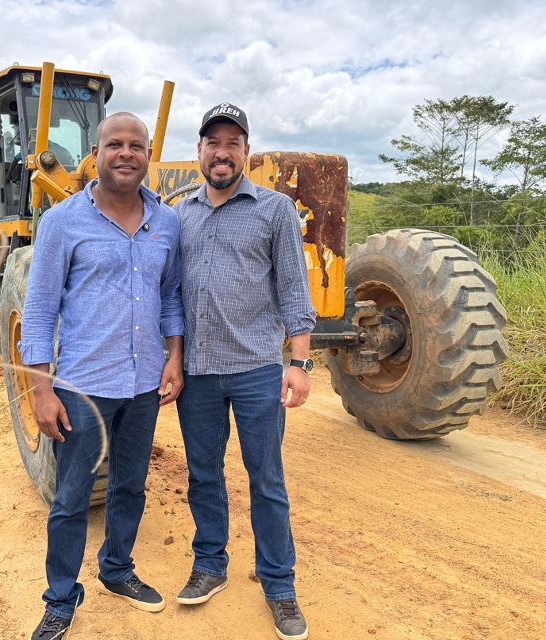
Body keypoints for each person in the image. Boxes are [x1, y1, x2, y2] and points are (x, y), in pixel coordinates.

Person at [18, 112, 184, 640]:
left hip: (142, 386)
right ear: (96, 152)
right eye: (115, 144)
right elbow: (40, 310)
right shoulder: (63, 222)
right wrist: (42, 389)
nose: (126, 153)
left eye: (136, 145)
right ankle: (60, 600)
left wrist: (174, 357)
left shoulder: (167, 222)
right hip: (83, 387)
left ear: (148, 153)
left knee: (130, 486)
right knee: (70, 498)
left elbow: (172, 297)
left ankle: (117, 570)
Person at [173, 102, 316, 640]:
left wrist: (298, 363)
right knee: (203, 475)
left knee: (267, 479)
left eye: (233, 143)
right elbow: (172, 296)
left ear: (246, 153)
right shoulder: (179, 212)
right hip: (200, 375)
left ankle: (280, 586)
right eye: (214, 142)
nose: (223, 152)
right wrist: (175, 361)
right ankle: (210, 564)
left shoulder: (276, 209)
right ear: (201, 152)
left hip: (258, 369)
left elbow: (294, 292)